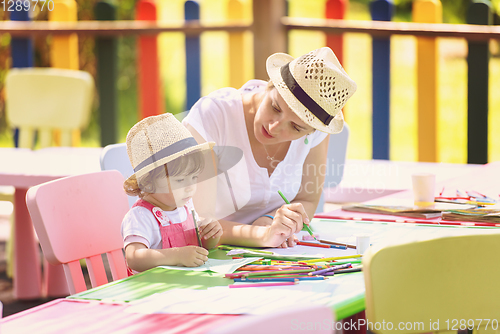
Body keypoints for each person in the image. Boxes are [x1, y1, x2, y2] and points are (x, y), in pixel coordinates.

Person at [183, 47, 357, 248]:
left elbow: (307, 200)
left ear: (311, 131)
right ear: (269, 85)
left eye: (296, 127)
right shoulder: (214, 116)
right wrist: (263, 235)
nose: (274, 126)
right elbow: (197, 224)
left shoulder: (317, 130)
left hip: (272, 253)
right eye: (275, 107)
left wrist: (270, 221)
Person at [121, 113, 223, 273]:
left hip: (182, 287)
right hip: (152, 291)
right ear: (149, 183)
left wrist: (210, 237)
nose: (190, 187)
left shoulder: (185, 207)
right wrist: (176, 256)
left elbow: (197, 246)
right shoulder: (140, 216)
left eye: (194, 177)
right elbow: (134, 257)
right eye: (180, 180)